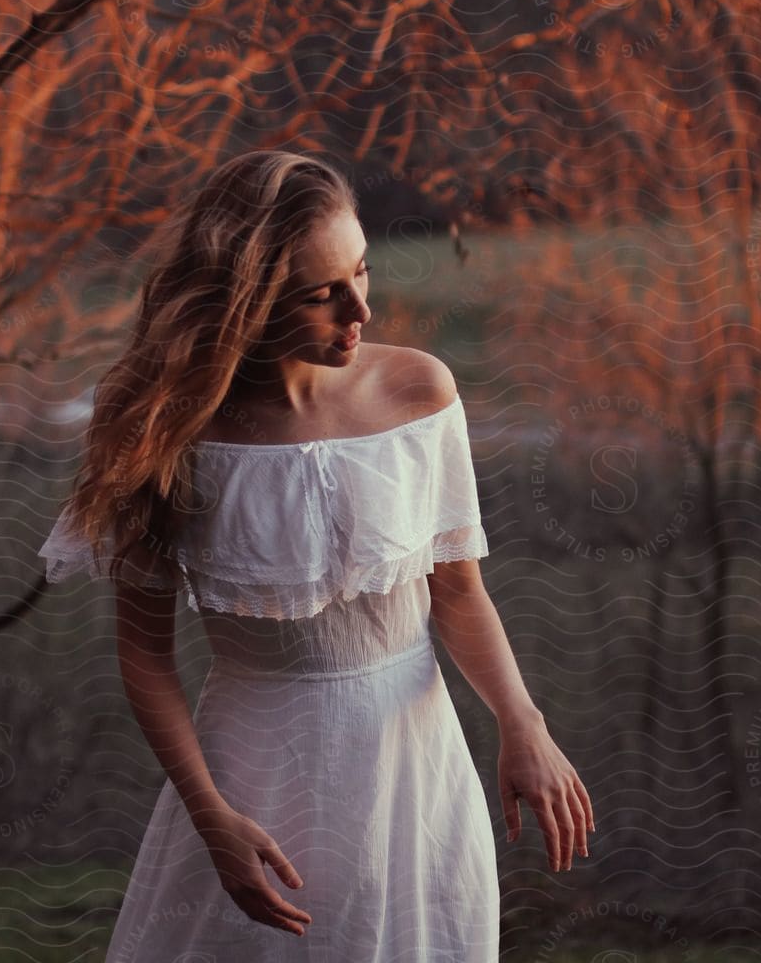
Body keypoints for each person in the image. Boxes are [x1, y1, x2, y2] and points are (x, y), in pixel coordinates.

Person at [38, 149, 593, 959]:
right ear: (245, 302)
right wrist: (211, 818)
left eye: (362, 272)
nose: (359, 309)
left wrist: (523, 722)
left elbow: (459, 592)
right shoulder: (170, 432)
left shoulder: (422, 392)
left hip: (415, 770)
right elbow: (144, 654)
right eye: (320, 294)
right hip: (249, 780)